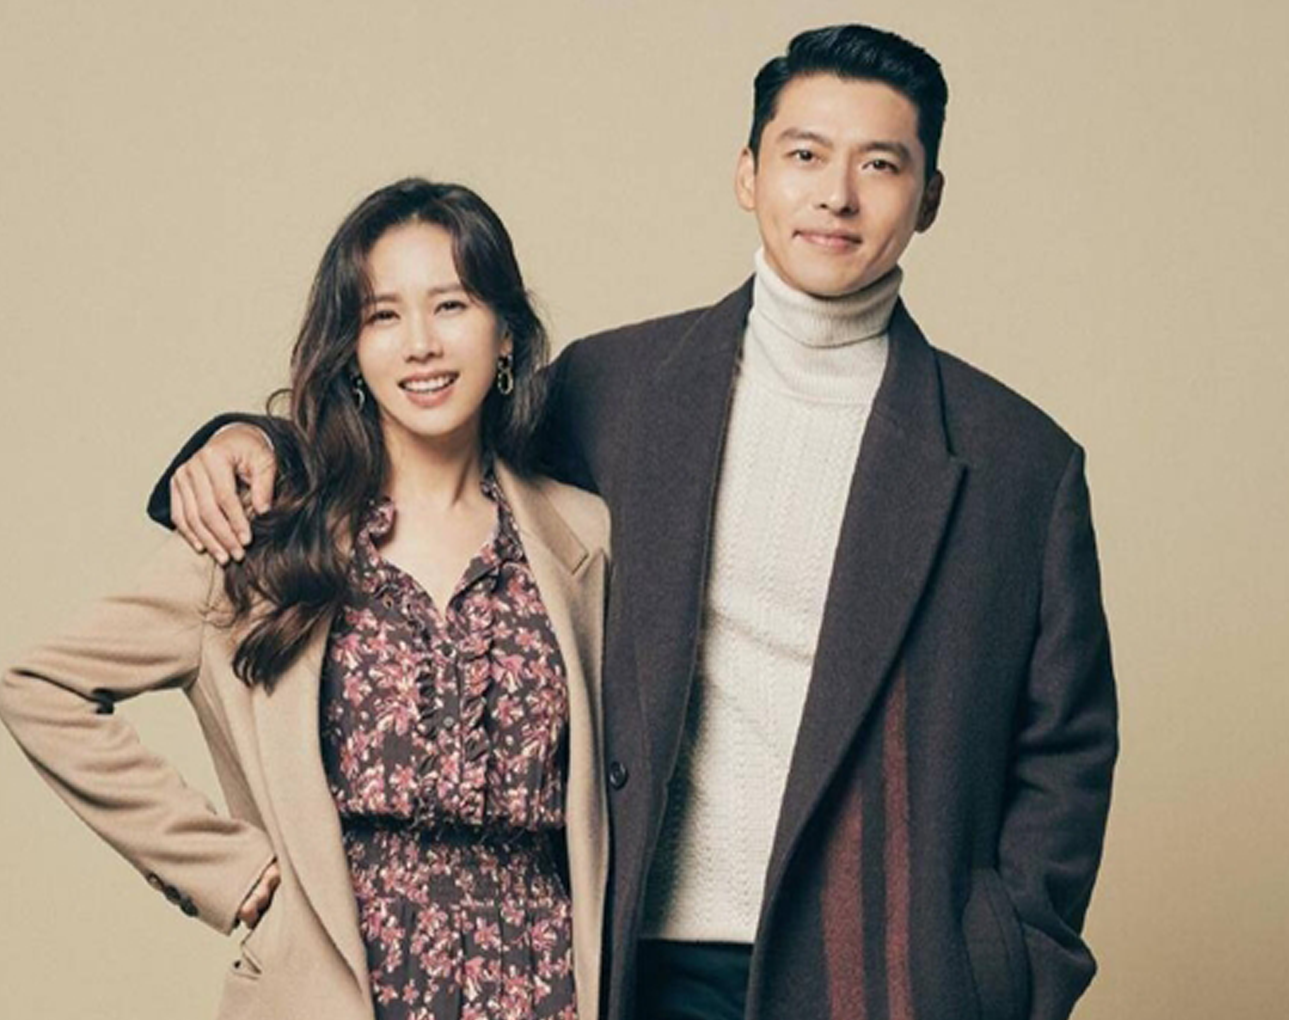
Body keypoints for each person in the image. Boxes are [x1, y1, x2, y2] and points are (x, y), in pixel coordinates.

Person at [150, 24, 1118, 1020]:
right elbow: (430, 443)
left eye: (880, 164)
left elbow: (1068, 750)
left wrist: (1010, 969)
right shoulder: (612, 391)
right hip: (637, 963)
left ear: (931, 196)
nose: (836, 194)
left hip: (889, 978)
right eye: (804, 155)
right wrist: (259, 443)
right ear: (748, 174)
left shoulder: (1018, 465)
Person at [0, 178, 612, 1020]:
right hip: (331, 985)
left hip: (544, 984)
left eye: (452, 305)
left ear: (505, 332)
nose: (422, 345)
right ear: (351, 350)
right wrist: (227, 872)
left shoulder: (583, 539)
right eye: (383, 316)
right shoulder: (266, 534)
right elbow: (41, 689)